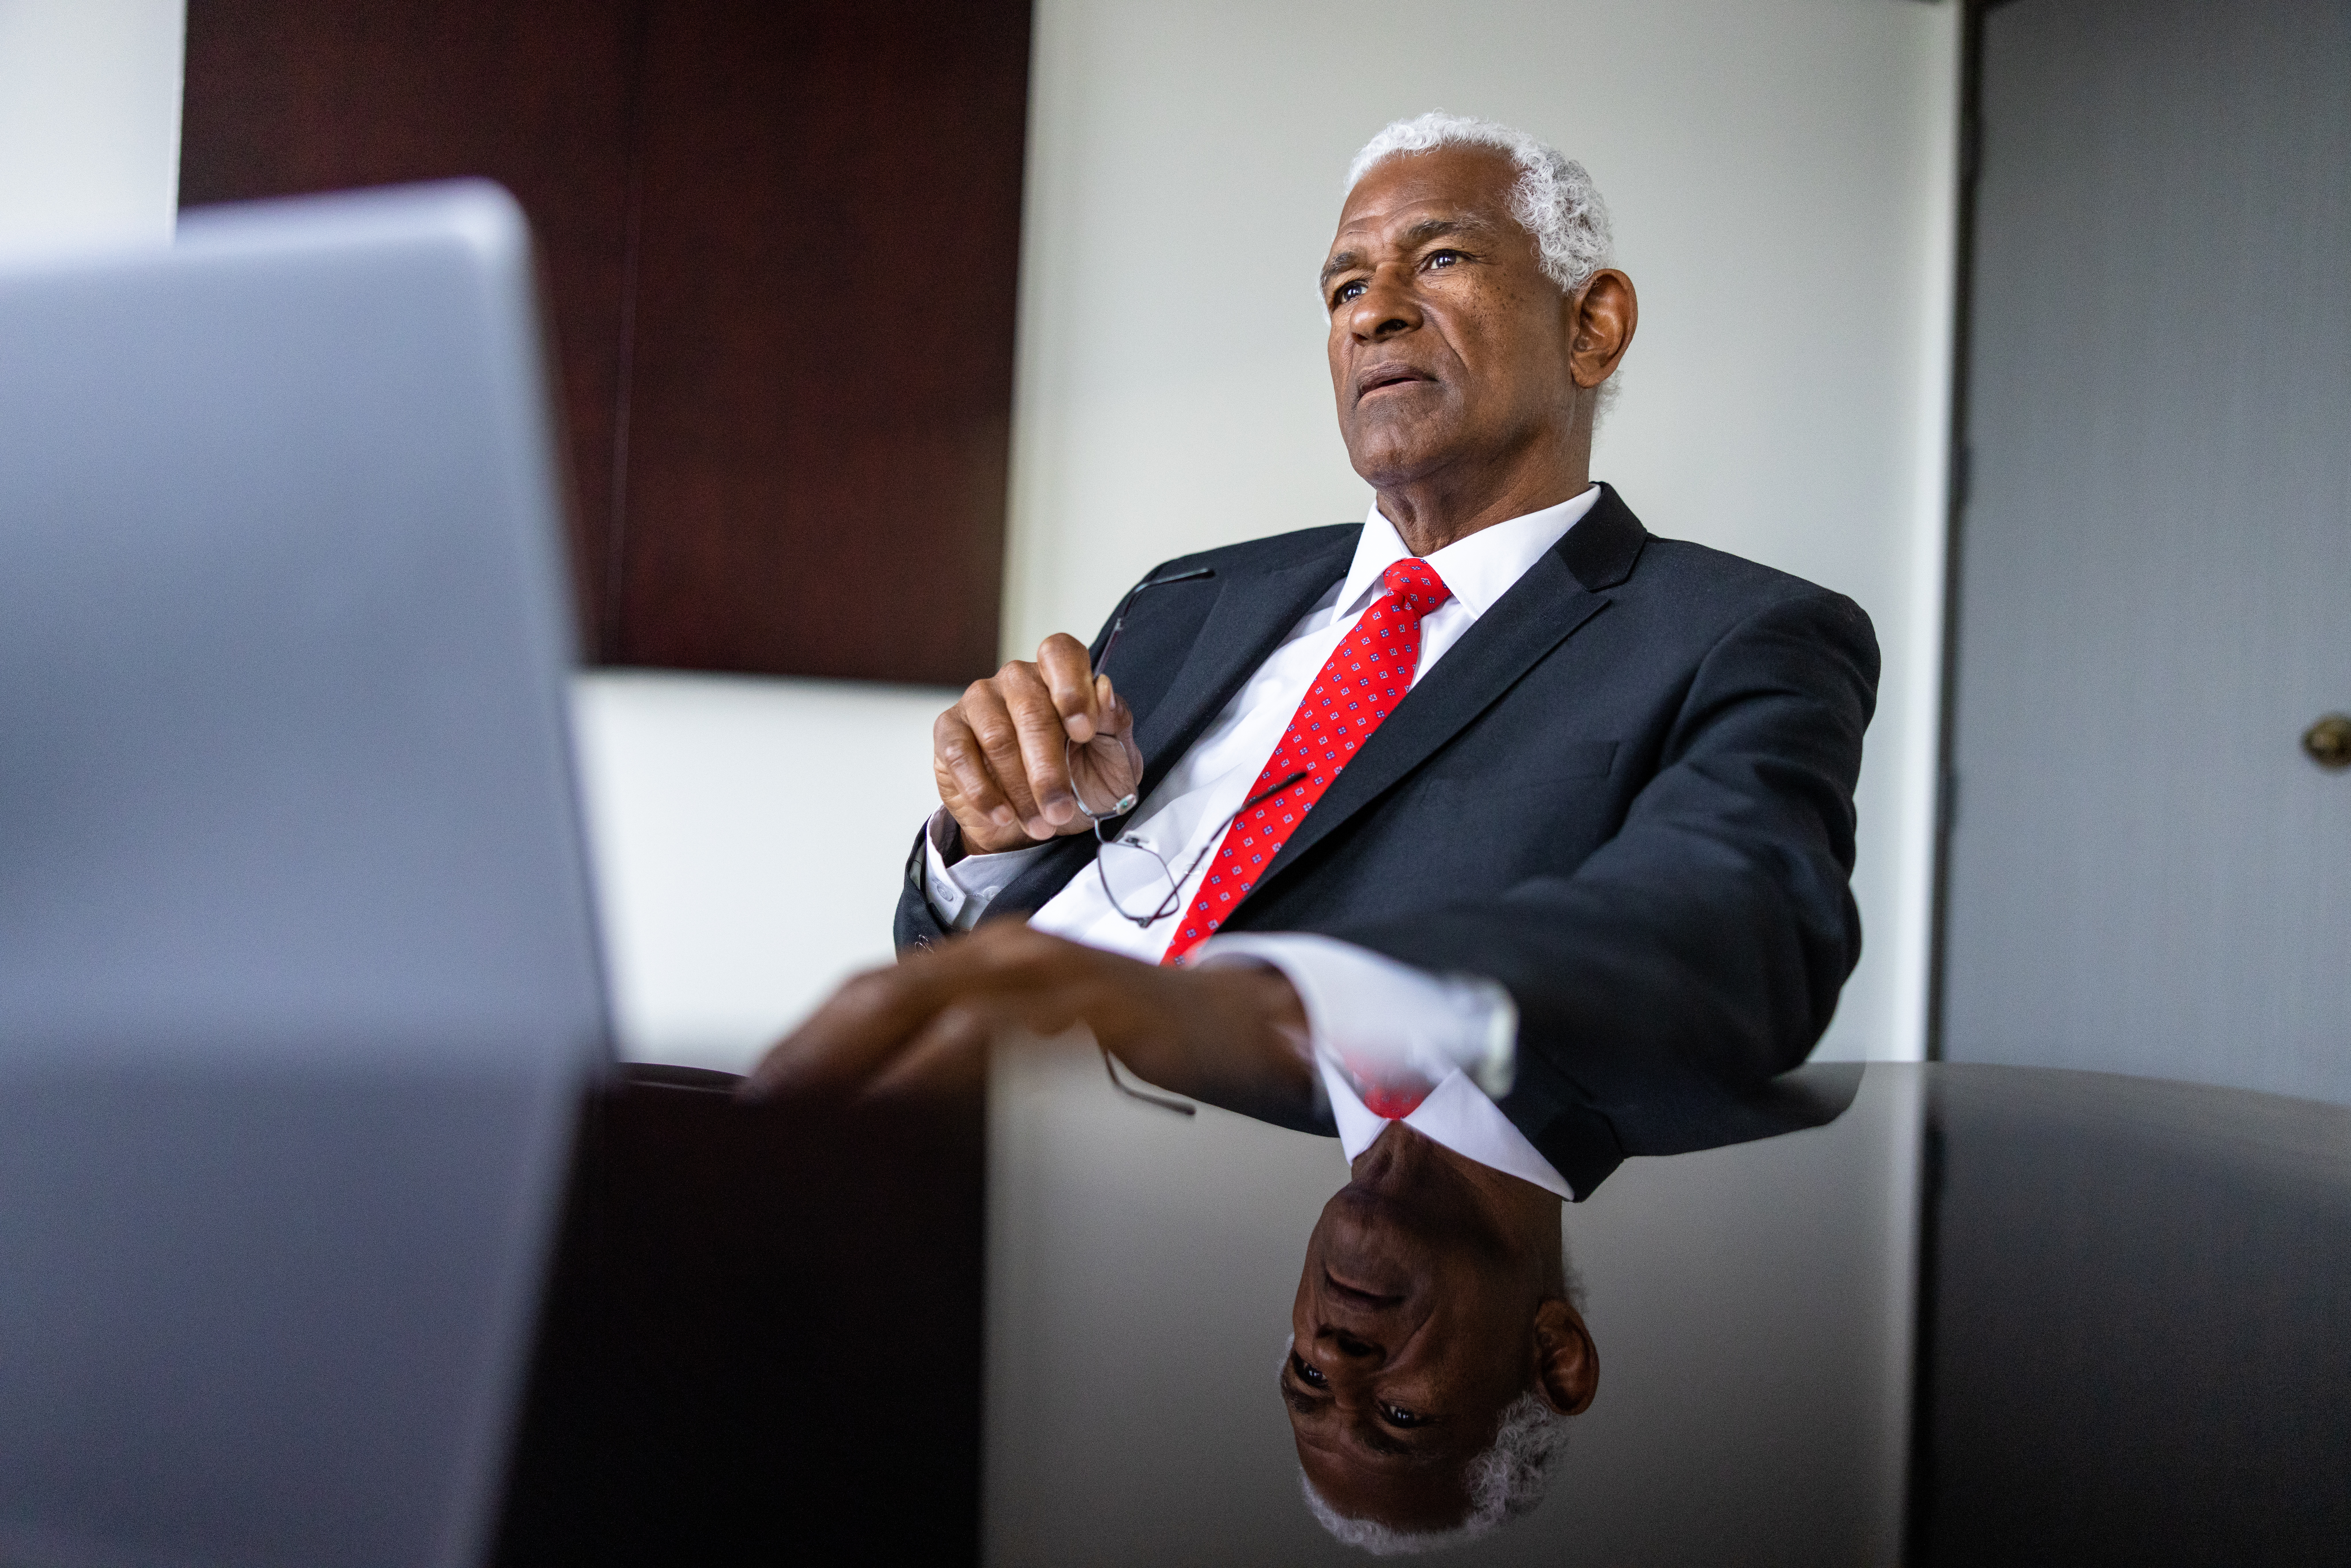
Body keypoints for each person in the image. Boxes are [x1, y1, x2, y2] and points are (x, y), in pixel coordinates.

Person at [745, 107, 1878, 1168]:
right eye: (1344, 285)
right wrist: (987, 846)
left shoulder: (1736, 635)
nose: (1371, 311)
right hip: (971, 1153)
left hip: (1299, 1191)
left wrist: (1268, 1002)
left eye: (1441, 258)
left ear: (1591, 326)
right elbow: (974, 957)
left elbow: (1740, 932)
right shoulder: (1190, 596)